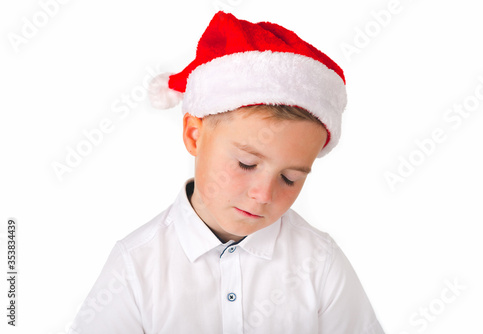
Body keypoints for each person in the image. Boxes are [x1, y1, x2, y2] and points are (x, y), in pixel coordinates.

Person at [69, 11, 385, 334]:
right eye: (246, 164)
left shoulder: (320, 264)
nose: (263, 195)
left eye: (290, 178)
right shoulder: (136, 267)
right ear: (194, 135)